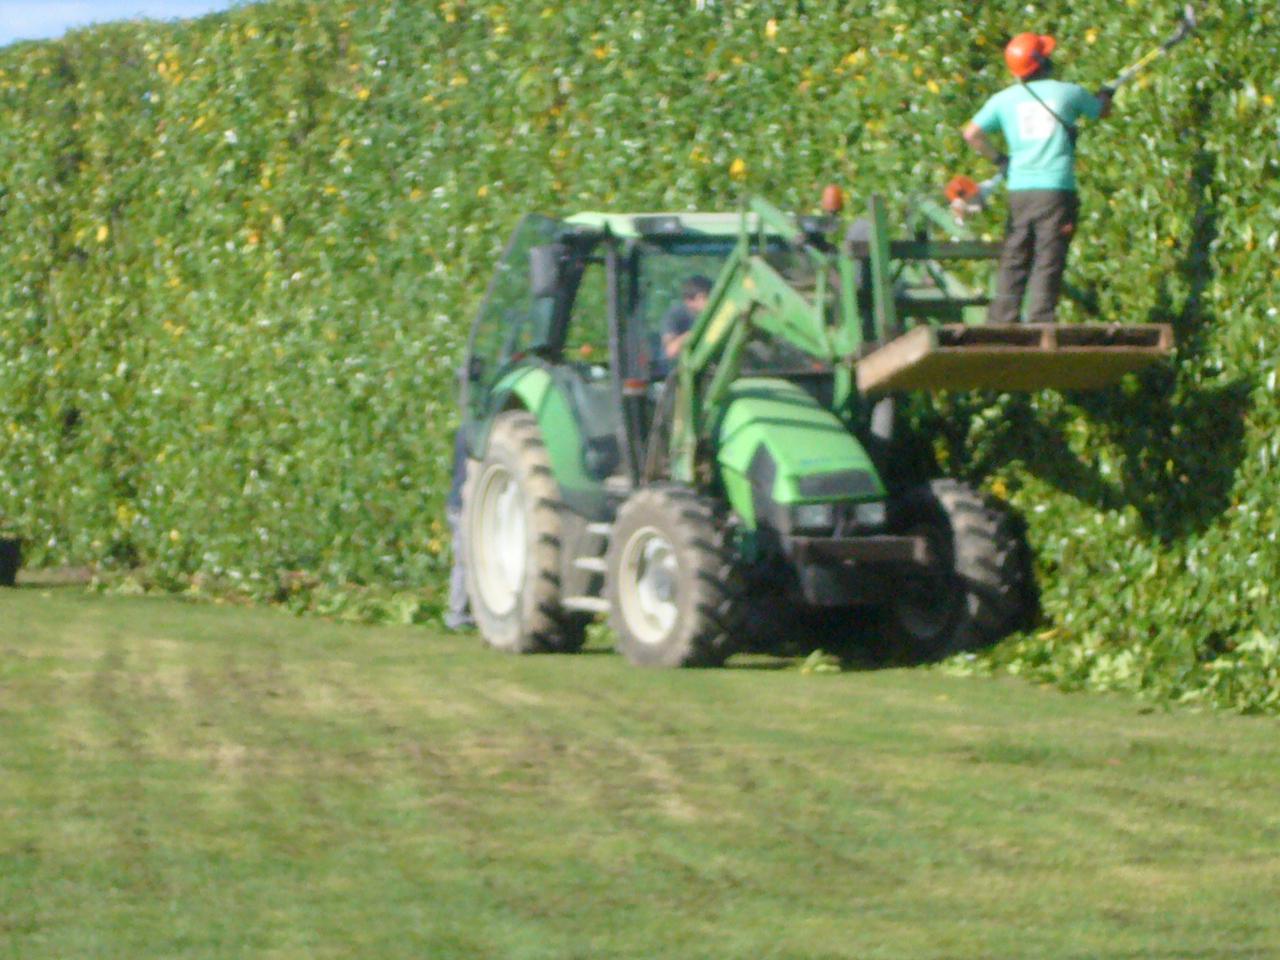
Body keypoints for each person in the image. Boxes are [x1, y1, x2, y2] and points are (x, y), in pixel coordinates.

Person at [962, 32, 1112, 324]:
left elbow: (972, 134)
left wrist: (1000, 160)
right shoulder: (1068, 92)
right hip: (1055, 190)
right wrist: (1105, 96)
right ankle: (1041, 319)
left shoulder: (1003, 100)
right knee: (1048, 255)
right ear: (1043, 61)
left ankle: (1002, 319)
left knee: (1015, 255)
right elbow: (1100, 111)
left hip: (1020, 190)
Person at [444, 426, 474, 631]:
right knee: (464, 561)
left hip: (455, 504)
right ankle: (457, 614)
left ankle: (462, 612)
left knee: (464, 560)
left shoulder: (464, 431)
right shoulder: (475, 434)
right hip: (463, 506)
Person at [660, 275, 713, 365]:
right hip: (677, 372)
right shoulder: (676, 316)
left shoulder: (713, 315)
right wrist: (694, 334)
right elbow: (670, 351)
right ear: (700, 297)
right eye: (708, 298)